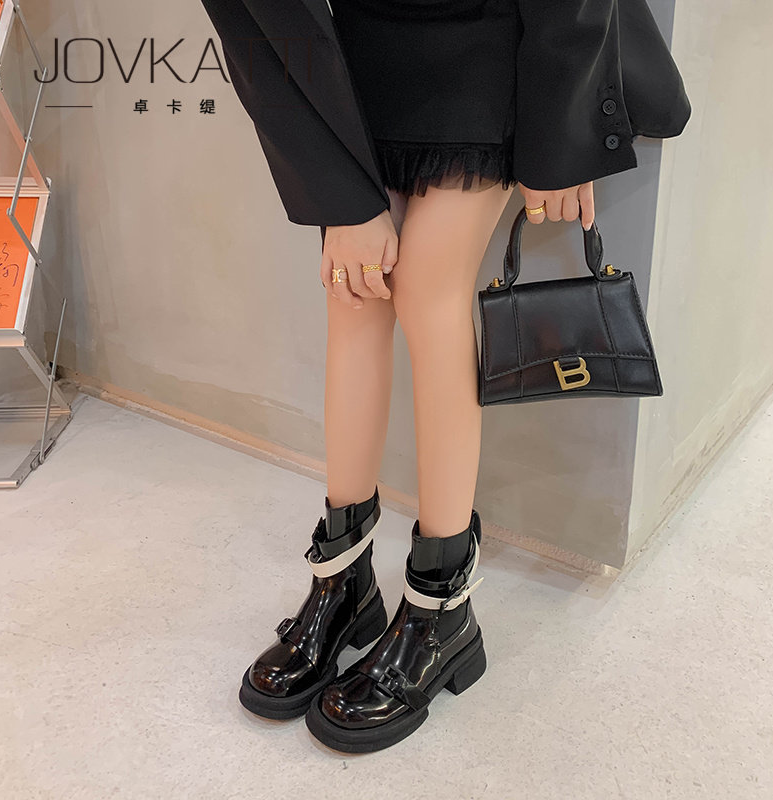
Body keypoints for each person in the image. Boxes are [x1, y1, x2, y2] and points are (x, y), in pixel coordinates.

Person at [198, 0, 691, 753]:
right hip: (357, 65)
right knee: (353, 294)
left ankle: (440, 608)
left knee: (429, 292)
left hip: (489, 49)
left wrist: (560, 138)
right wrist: (338, 197)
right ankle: (342, 580)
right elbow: (256, 17)